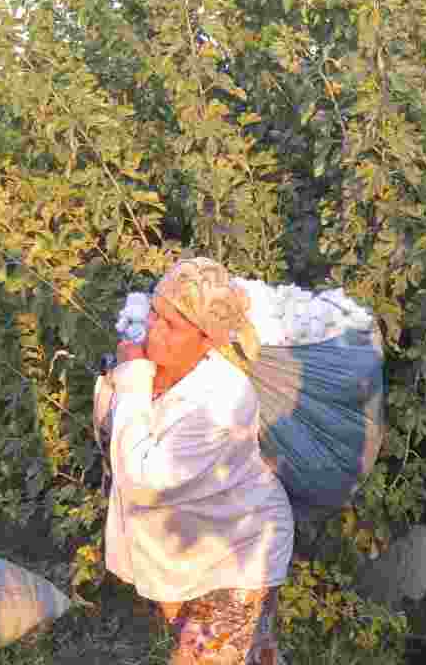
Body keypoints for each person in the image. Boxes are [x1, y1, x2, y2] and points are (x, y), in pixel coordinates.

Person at [96, 257, 294, 665]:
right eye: (155, 314)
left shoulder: (222, 399)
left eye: (173, 326)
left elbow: (143, 478)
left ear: (208, 340)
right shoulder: (146, 372)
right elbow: (111, 440)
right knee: (252, 653)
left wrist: (132, 381)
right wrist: (126, 382)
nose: (155, 330)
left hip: (238, 554)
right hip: (189, 553)